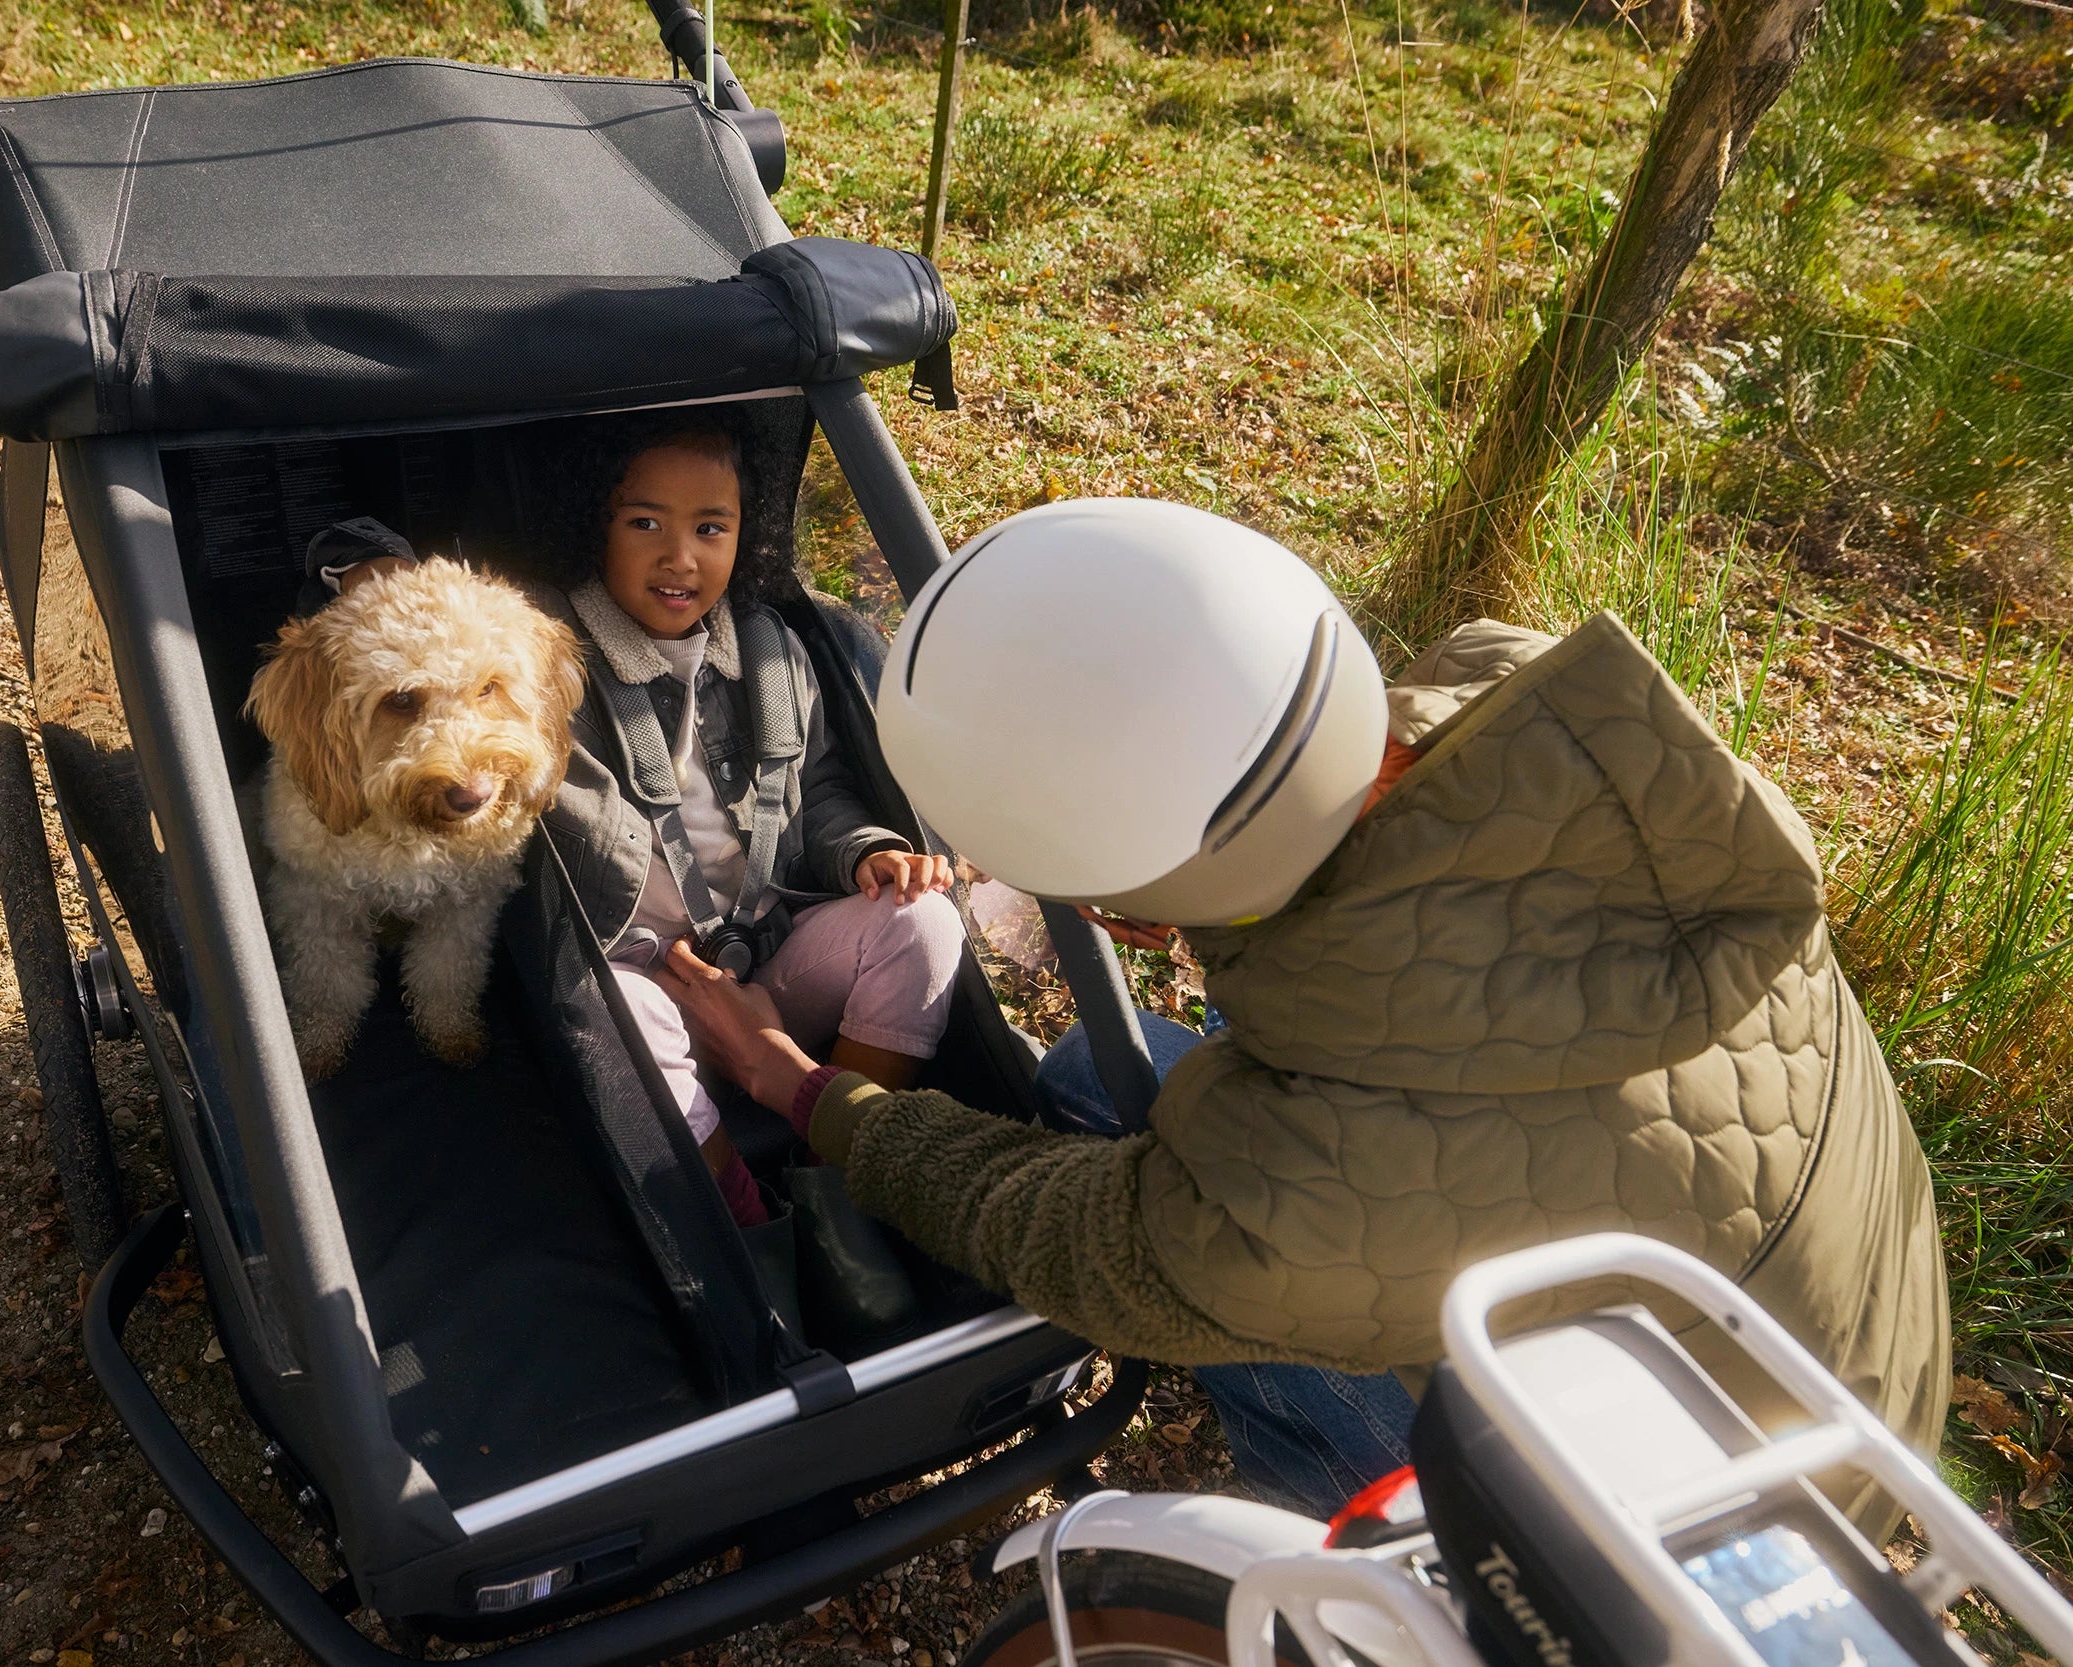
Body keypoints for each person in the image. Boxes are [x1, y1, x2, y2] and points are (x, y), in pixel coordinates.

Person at [653, 498, 1949, 1531]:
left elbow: (1033, 1221)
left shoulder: (1288, 1213)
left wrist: (796, 1083)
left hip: (1719, 1525)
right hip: (1867, 1355)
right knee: (1109, 1086)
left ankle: (1353, 1556)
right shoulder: (1556, 730)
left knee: (1199, 1253)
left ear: (1131, 919)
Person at [539, 412, 967, 1228]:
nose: (680, 557)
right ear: (593, 528)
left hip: (768, 955)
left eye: (711, 527)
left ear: (746, 534)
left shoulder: (769, 651)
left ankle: (834, 1192)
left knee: (925, 925)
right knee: (618, 1014)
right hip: (643, 975)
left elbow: (823, 787)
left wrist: (865, 854)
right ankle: (747, 1227)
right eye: (644, 524)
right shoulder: (552, 657)